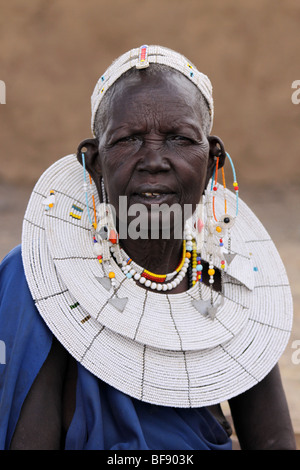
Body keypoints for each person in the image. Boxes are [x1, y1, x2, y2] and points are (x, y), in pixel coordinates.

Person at [0, 45, 296, 450]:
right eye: (129, 140)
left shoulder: (231, 280)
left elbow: (273, 440)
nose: (154, 159)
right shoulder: (43, 276)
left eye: (178, 138)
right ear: (95, 162)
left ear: (212, 161)